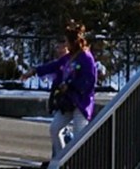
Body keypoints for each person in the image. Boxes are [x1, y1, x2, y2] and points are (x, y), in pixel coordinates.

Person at [32, 27, 99, 161]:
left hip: (81, 102)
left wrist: (70, 85)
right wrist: (35, 71)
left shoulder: (86, 58)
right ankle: (61, 158)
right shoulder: (70, 57)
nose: (65, 45)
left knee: (79, 135)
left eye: (67, 42)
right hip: (68, 102)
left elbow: (90, 81)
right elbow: (55, 65)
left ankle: (79, 162)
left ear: (74, 42)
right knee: (54, 129)